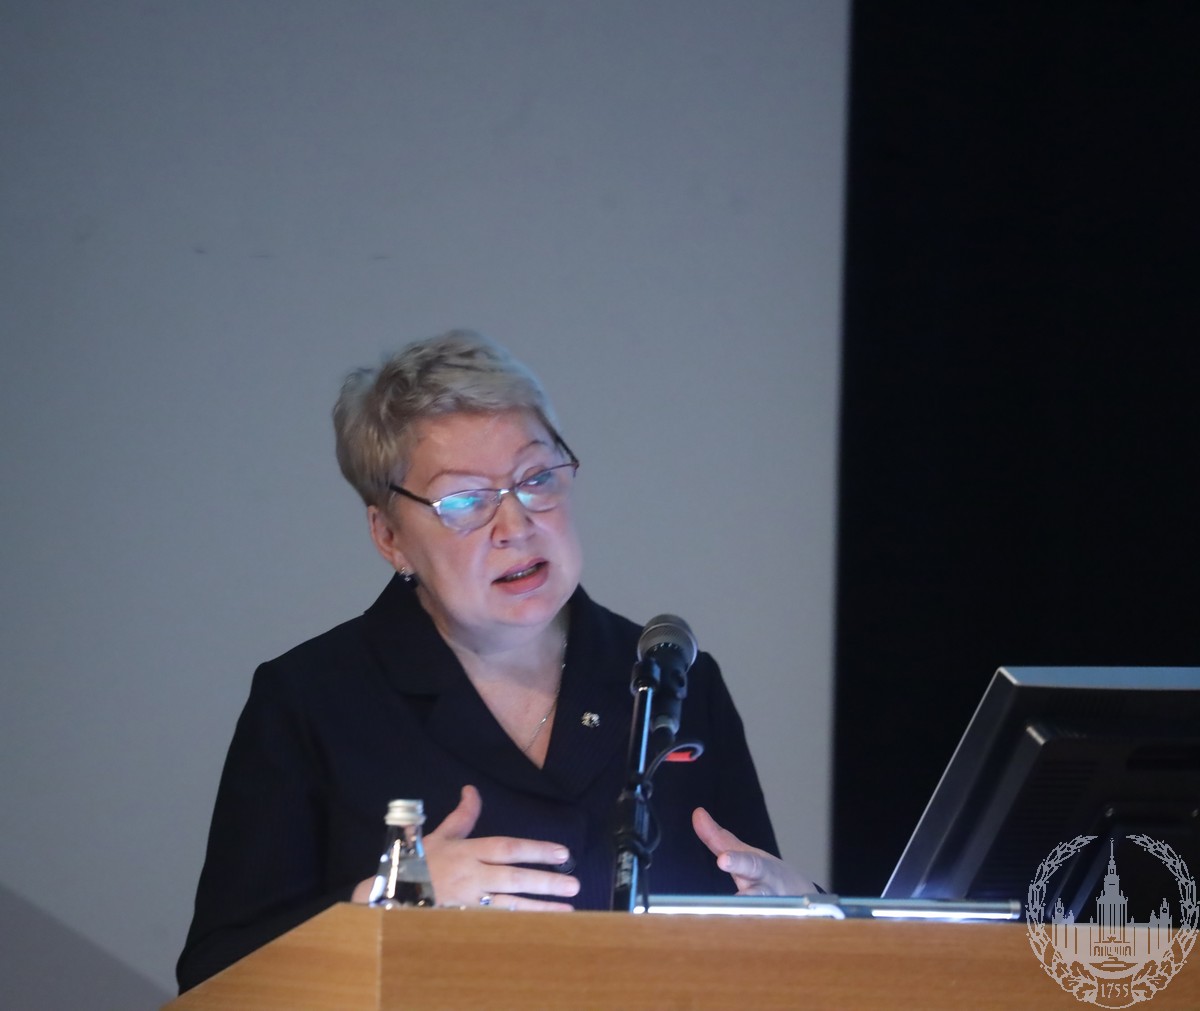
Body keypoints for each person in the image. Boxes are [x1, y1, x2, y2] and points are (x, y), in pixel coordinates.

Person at [176, 330, 814, 992]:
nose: (515, 525)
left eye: (536, 478)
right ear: (389, 536)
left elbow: (768, 927)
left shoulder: (671, 680)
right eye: (465, 501)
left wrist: (805, 913)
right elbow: (215, 978)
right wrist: (386, 903)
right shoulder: (311, 700)